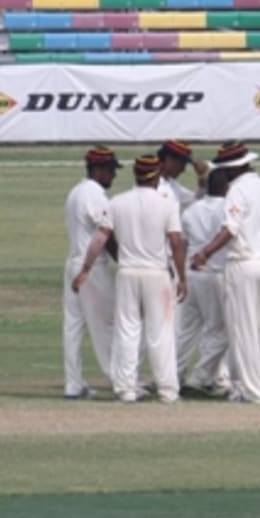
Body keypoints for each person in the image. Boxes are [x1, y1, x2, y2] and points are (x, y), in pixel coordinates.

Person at [74, 154, 187, 404]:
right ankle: (168, 390)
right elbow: (176, 243)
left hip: (127, 272)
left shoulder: (117, 202)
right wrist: (181, 277)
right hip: (156, 273)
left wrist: (85, 269)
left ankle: (125, 389)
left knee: (127, 331)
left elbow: (101, 238)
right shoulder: (167, 203)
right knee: (161, 332)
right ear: (156, 176)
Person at [191, 142, 260, 404]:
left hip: (243, 263)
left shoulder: (237, 191)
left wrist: (205, 253)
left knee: (243, 328)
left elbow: (230, 229)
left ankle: (253, 392)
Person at [63, 146, 122, 399]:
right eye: (110, 170)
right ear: (98, 169)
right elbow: (104, 233)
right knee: (106, 325)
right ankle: (121, 381)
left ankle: (73, 384)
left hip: (73, 262)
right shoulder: (95, 195)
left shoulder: (76, 191)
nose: (114, 176)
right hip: (91, 267)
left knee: (73, 326)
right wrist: (122, 259)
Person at [176, 168, 231, 396]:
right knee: (222, 331)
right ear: (227, 188)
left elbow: (182, 245)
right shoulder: (227, 209)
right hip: (215, 273)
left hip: (191, 273)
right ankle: (201, 376)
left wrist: (181, 277)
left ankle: (172, 375)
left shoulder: (191, 210)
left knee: (186, 330)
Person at [156, 139, 209, 209]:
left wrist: (202, 176)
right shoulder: (153, 184)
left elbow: (196, 200)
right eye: (181, 164)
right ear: (169, 159)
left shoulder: (171, 184)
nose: (183, 170)